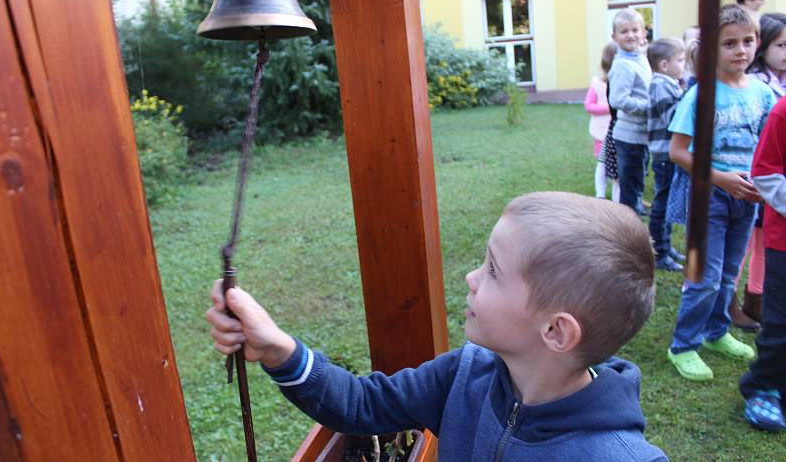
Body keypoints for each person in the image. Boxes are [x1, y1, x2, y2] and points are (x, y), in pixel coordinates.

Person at [206, 192, 668, 461]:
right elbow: (362, 405)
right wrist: (278, 350)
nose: (471, 277)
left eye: (492, 270)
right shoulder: (465, 374)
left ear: (556, 332)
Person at [666, 5, 777, 382]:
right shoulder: (699, 96)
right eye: (729, 43)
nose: (740, 50)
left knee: (730, 273)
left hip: (746, 197)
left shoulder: (765, 94)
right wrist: (721, 178)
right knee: (706, 276)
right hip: (708, 198)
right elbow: (678, 152)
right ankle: (683, 344)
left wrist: (760, 183)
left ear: (758, 43)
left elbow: (769, 146)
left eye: (747, 42)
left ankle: (716, 333)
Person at [734, 13, 786, 329]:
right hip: (749, 175)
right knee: (743, 245)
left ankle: (757, 298)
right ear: (764, 47)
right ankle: (726, 301)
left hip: (773, 181)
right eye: (781, 45)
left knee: (765, 242)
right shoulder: (758, 86)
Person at [738, 93, 786, 432]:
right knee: (782, 323)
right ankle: (764, 387)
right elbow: (765, 173)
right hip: (784, 241)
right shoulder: (783, 112)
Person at [646, 38, 687, 272]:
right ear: (663, 65)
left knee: (667, 201)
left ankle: (665, 246)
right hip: (665, 155)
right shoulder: (661, 85)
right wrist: (686, 98)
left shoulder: (669, 83)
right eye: (680, 60)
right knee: (661, 204)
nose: (683, 65)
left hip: (670, 154)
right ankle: (658, 252)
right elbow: (672, 119)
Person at [609, 9, 652, 213]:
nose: (630, 35)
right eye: (624, 31)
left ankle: (635, 211)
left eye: (635, 30)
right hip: (629, 137)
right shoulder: (623, 65)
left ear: (643, 33)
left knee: (638, 179)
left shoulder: (640, 59)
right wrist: (648, 107)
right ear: (615, 37)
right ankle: (628, 228)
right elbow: (617, 99)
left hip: (642, 134)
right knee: (631, 186)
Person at [585, 42, 619, 201]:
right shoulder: (597, 82)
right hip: (602, 132)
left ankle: (617, 194)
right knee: (602, 162)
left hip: (619, 132)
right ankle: (600, 194)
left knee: (617, 166)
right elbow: (589, 105)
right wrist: (607, 107)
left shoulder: (622, 80)